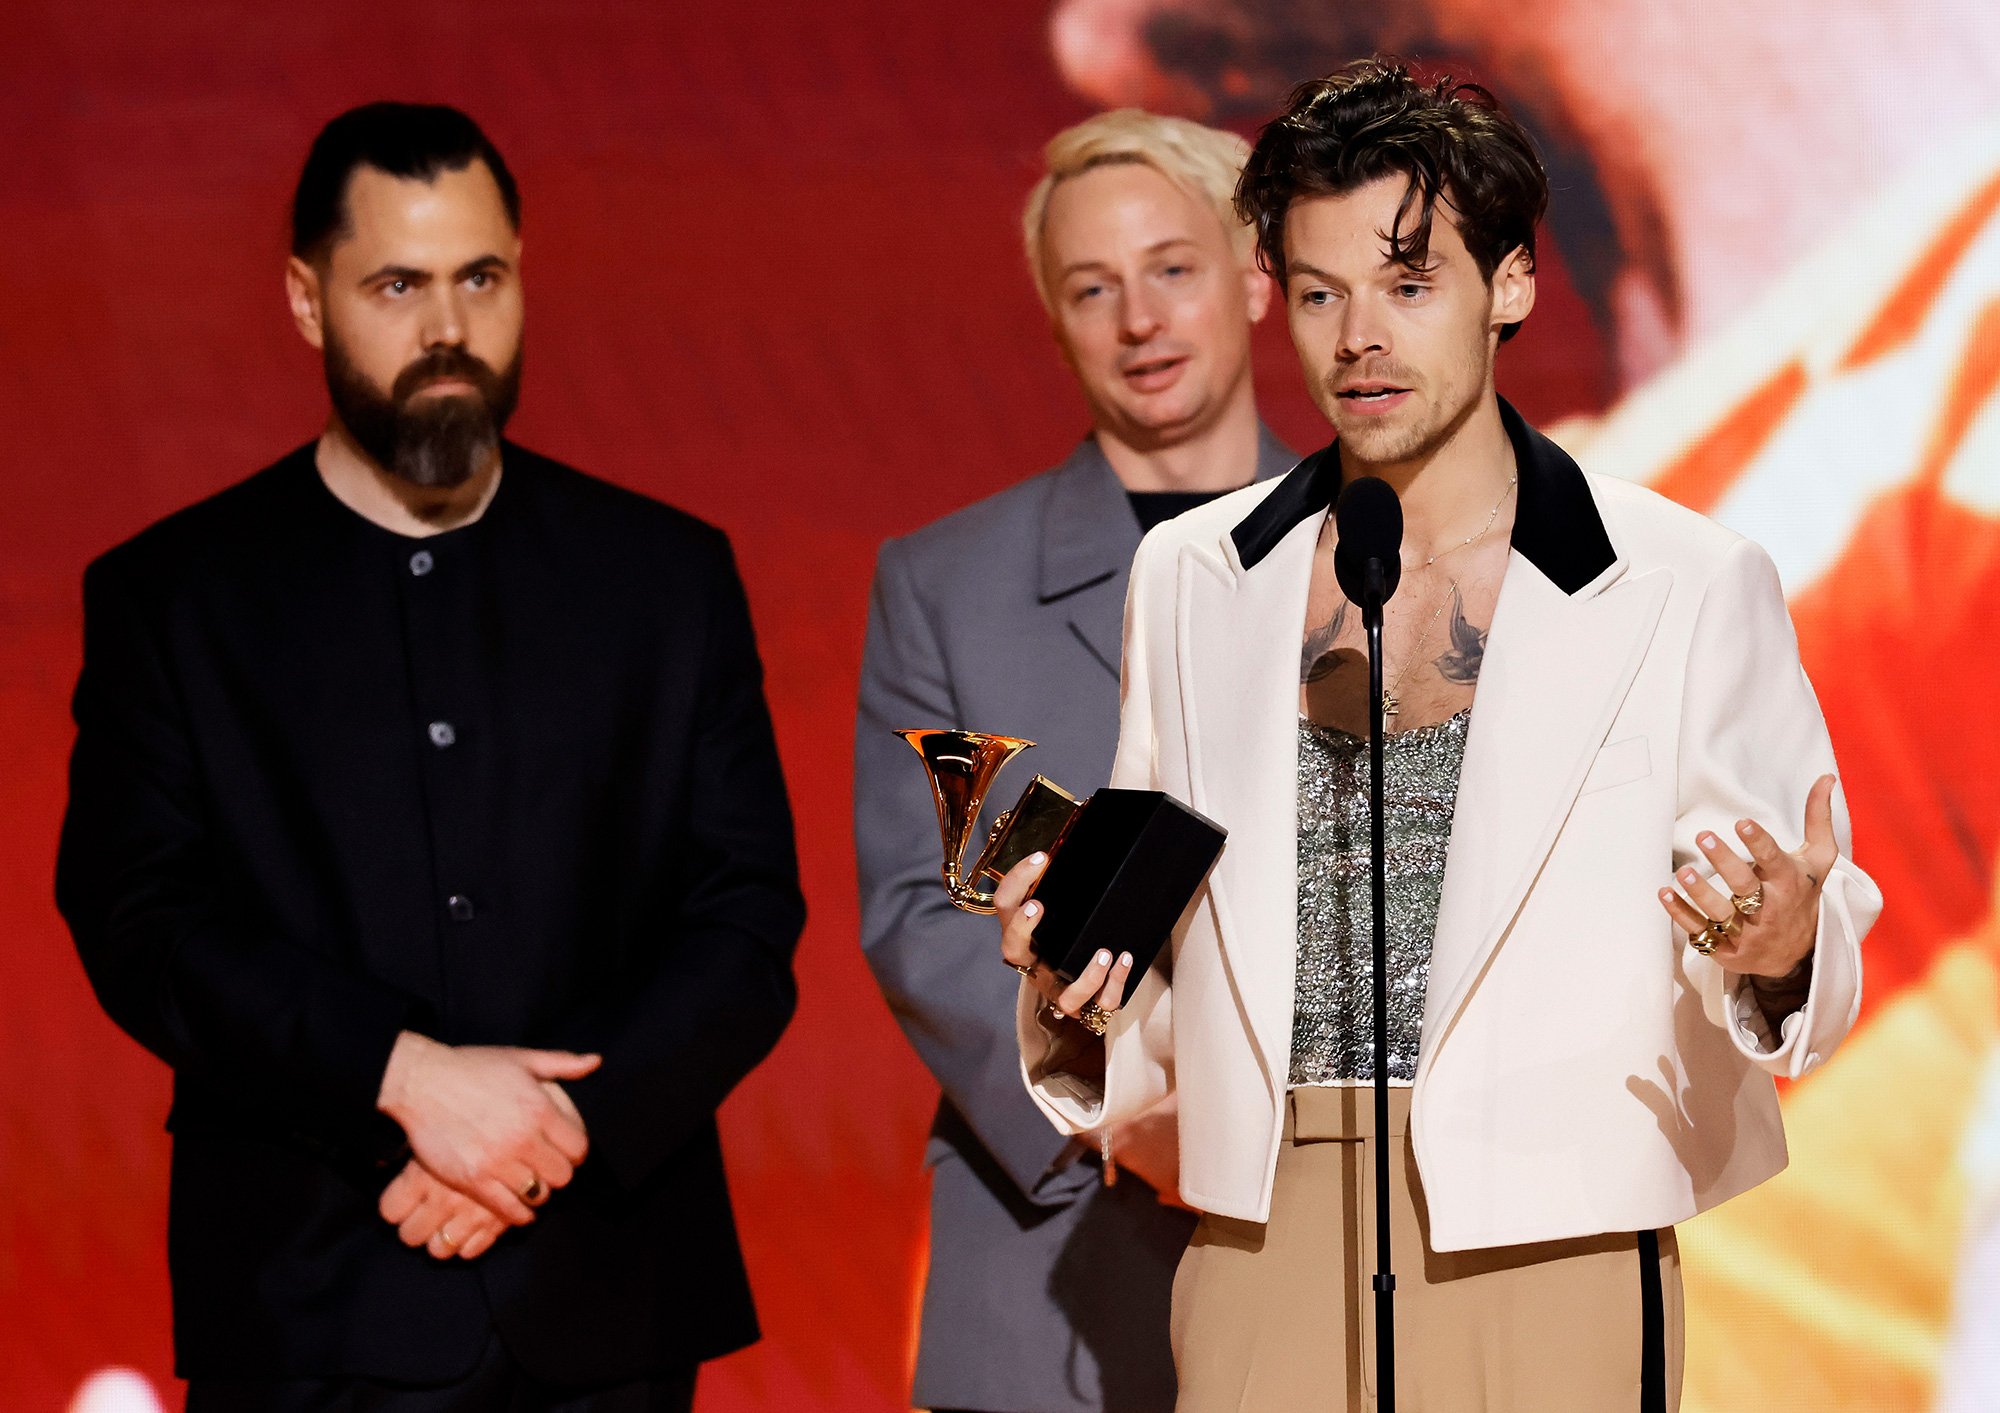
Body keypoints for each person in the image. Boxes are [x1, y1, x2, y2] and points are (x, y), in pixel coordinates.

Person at [997, 63, 1881, 1410]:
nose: (1360, 336)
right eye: (1318, 290)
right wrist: (1074, 972)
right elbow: (1158, 929)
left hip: (1554, 1235)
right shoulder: (1194, 577)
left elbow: (1808, 918)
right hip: (1263, 1225)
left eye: (1409, 285)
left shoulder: (1683, 580)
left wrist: (1782, 948)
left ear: (1511, 285)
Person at [55, 102, 804, 1413]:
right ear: (307, 297)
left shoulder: (666, 577)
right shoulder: (174, 597)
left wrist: (545, 1129)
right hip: (307, 1293)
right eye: (397, 284)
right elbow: (139, 919)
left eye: (480, 278)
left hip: (609, 1288)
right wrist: (398, 1075)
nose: (446, 328)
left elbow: (745, 916)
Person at [854, 110, 1297, 1413]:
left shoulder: (1386, 557)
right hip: (1052, 1259)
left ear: (1257, 279)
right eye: (1091, 289)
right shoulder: (944, 584)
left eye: (1172, 268)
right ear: (1054, 324)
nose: (1138, 320)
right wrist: (1129, 1122)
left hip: (1324, 1244)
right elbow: (917, 918)